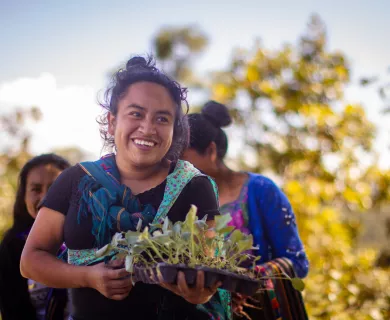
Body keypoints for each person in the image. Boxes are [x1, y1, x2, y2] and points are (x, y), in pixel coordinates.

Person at [20, 56, 230, 320]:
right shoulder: (76, 180)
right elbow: (31, 261)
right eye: (136, 113)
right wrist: (88, 277)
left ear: (174, 129)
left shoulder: (194, 187)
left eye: (162, 119)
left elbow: (209, 273)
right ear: (112, 122)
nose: (148, 128)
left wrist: (199, 293)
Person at [182, 101, 310, 319]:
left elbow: (297, 263)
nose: (179, 169)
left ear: (211, 150)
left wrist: (247, 281)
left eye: (184, 160)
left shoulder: (261, 190)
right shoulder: (187, 204)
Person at [0, 153, 71, 320]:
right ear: (23, 196)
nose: (46, 197)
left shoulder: (93, 240)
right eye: (36, 189)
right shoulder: (11, 248)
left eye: (55, 188)